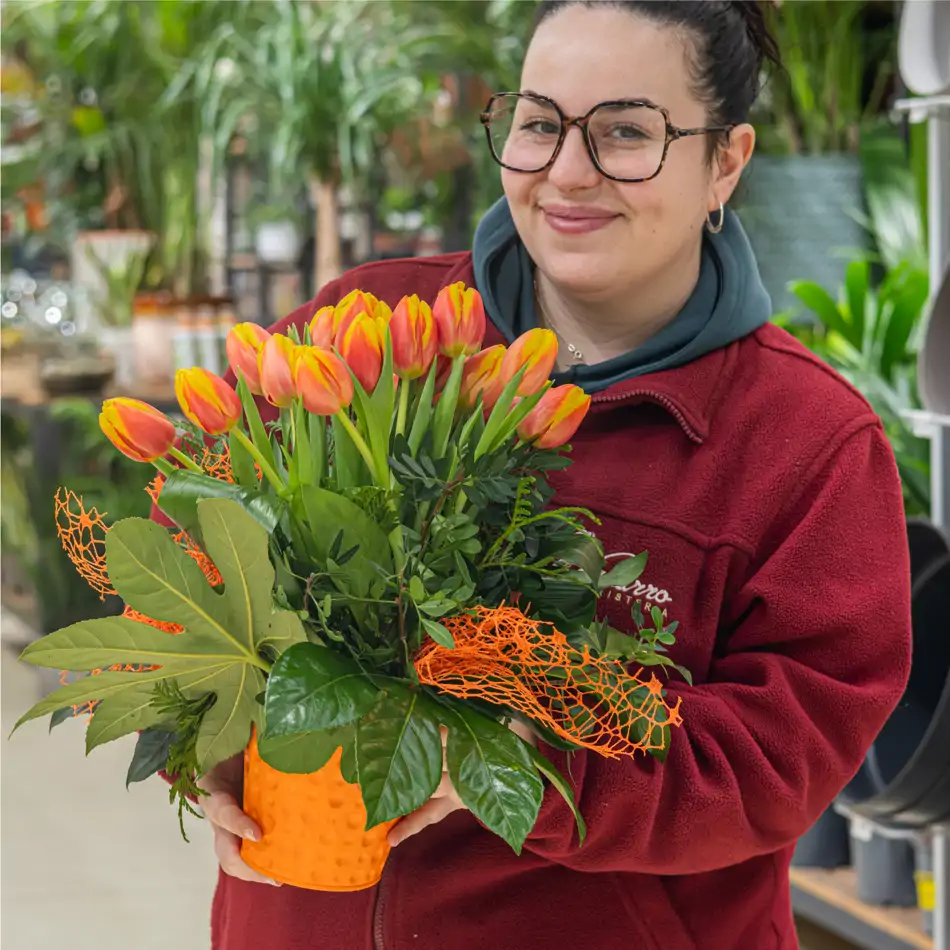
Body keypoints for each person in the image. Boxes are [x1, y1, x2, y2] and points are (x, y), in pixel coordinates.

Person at [198, 3, 912, 948]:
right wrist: (203, 739)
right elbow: (200, 560)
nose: (567, 172)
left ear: (726, 162)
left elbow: (775, 762)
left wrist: (525, 764)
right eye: (539, 124)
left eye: (626, 133)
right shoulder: (365, 326)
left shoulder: (806, 444)